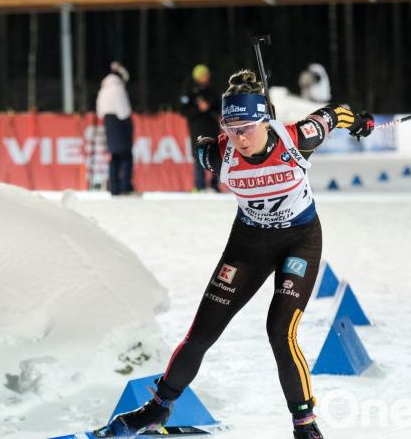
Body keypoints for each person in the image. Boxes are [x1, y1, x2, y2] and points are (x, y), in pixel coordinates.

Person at [101, 70, 374, 439]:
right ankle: (157, 410)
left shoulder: (299, 137)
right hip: (248, 244)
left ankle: (305, 426)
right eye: (232, 129)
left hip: (299, 242)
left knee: (280, 331)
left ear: (266, 120)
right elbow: (201, 141)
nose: (240, 138)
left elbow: (335, 112)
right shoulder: (215, 152)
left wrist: (360, 122)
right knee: (201, 333)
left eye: (247, 127)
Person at [180, 64, 221, 192]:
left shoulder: (212, 90)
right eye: (203, 75)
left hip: (212, 126)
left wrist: (209, 108)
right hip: (197, 127)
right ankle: (199, 185)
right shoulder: (189, 90)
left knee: (215, 154)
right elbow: (183, 110)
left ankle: (215, 185)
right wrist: (198, 109)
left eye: (207, 75)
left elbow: (219, 107)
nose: (206, 78)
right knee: (199, 154)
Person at [96, 61, 134, 196]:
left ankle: (114, 188)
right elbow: (124, 111)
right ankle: (126, 186)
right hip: (120, 125)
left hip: (109, 124)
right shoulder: (118, 89)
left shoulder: (104, 89)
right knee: (126, 157)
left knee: (114, 158)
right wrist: (129, 131)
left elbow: (99, 111)